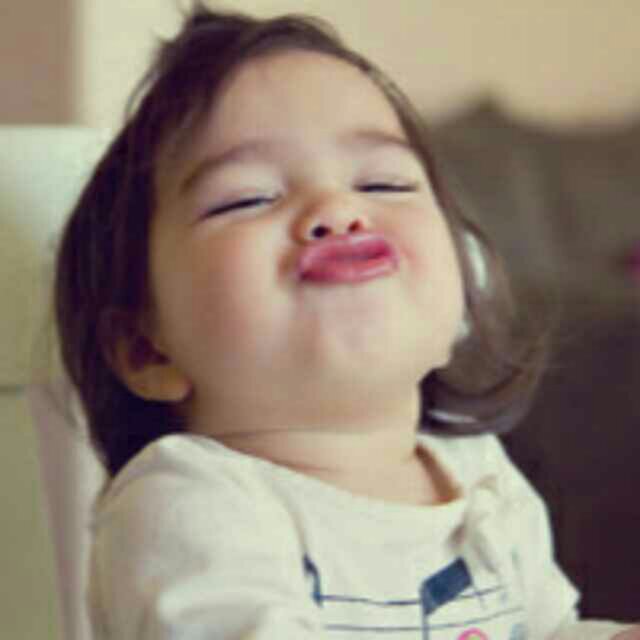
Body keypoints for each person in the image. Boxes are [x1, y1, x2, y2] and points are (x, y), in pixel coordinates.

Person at [53, 3, 639, 639]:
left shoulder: (480, 471)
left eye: (385, 183)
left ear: (464, 290)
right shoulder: (189, 505)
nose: (337, 209)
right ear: (147, 348)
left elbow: (547, 629)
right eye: (249, 197)